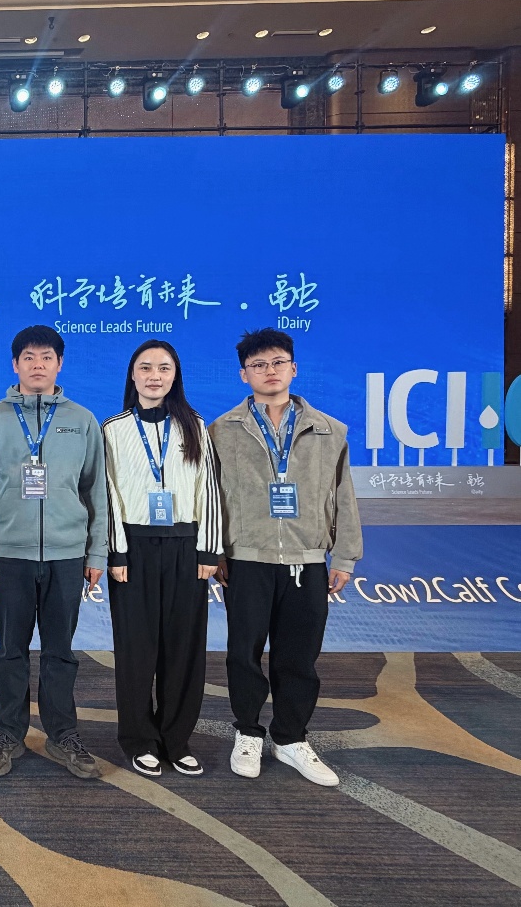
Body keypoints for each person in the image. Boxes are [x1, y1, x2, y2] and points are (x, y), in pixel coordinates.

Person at [210, 328, 362, 787]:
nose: (269, 371)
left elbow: (344, 496)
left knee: (299, 656)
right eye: (258, 365)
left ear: (293, 368)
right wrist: (215, 550)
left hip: (307, 559)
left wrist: (345, 556)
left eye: (277, 362)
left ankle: (291, 737)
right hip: (246, 559)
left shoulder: (329, 431)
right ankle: (247, 732)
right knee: (243, 653)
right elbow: (210, 498)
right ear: (244, 375)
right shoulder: (221, 431)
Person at [0, 325, 107, 779]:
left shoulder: (82, 420)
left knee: (60, 652)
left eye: (47, 357)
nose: (38, 365)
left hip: (67, 555)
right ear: (15, 364)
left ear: (59, 364)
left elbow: (96, 491)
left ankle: (62, 733)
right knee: (11, 651)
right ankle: (8, 733)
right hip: (10, 556)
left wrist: (96, 554)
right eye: (28, 357)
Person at [102, 340, 222, 778]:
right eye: (146, 367)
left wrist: (209, 549)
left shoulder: (195, 426)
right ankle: (139, 739)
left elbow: (208, 489)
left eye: (164, 368)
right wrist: (116, 550)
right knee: (136, 650)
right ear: (132, 375)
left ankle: (177, 739)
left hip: (186, 548)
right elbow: (108, 494)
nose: (155, 376)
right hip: (133, 550)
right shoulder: (113, 429)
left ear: (176, 376)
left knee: (184, 649)